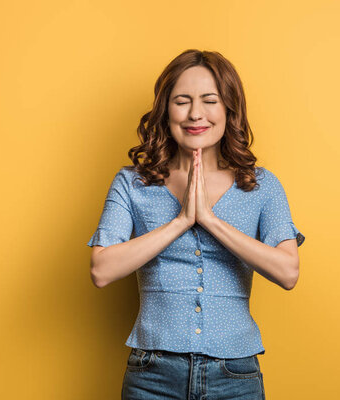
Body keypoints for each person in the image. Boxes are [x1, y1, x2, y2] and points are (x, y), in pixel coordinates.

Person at [87, 49, 305, 400]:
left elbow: (288, 272)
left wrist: (211, 221)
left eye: (209, 100)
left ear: (229, 109)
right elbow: (102, 270)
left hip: (235, 375)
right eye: (182, 101)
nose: (195, 114)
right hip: (151, 374)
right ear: (165, 110)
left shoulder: (262, 185)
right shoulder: (131, 183)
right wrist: (181, 222)